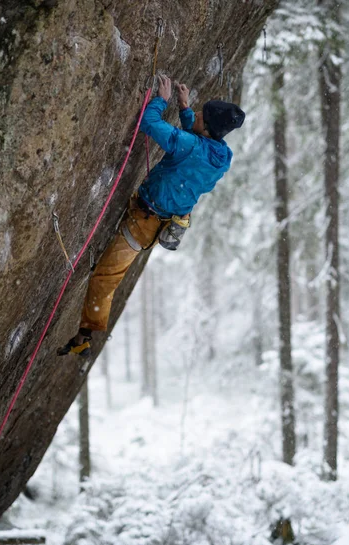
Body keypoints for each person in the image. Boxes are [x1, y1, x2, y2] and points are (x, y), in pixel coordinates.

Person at [58, 75, 245, 357]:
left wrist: (161, 100)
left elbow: (149, 123)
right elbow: (194, 142)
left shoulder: (192, 145)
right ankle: (85, 335)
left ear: (206, 128)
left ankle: (84, 337)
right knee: (109, 272)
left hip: (144, 223)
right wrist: (184, 109)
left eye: (200, 116)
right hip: (157, 220)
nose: (195, 115)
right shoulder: (221, 155)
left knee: (105, 276)